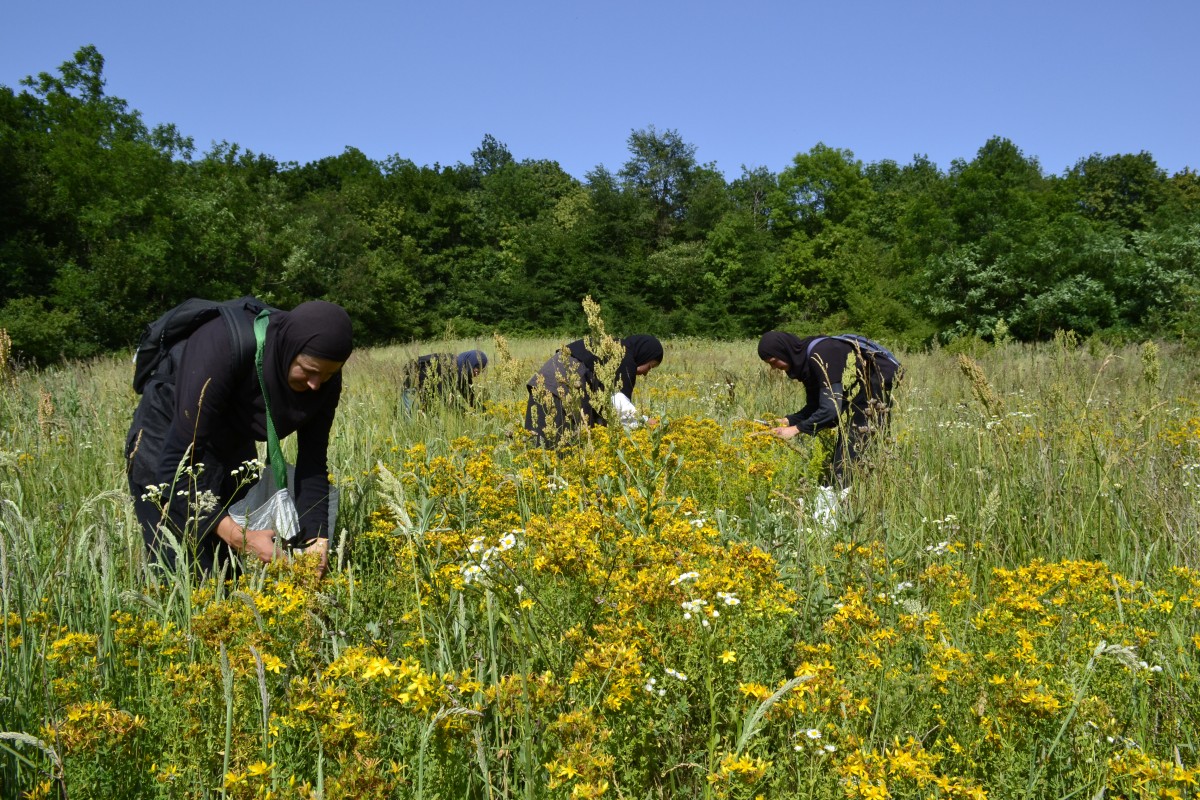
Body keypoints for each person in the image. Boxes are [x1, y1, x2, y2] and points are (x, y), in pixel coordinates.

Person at [125, 300, 353, 574]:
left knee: (230, 570)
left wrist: (316, 539)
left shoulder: (323, 374)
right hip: (169, 431)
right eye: (308, 370)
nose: (315, 384)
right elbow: (173, 470)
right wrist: (240, 538)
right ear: (288, 350)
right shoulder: (221, 345)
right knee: (184, 567)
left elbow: (312, 463)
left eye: (328, 375)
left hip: (231, 430)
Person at [757, 331, 901, 485]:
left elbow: (830, 410)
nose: (773, 368)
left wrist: (795, 429)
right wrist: (787, 421)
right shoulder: (806, 362)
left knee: (845, 466)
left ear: (784, 351)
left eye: (773, 361)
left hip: (869, 399)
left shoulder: (821, 354)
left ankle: (846, 502)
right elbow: (816, 406)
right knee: (846, 464)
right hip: (856, 401)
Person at [524, 335, 663, 448]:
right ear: (644, 355)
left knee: (537, 441)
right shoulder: (623, 357)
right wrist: (645, 422)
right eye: (650, 366)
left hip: (544, 381)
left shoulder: (612, 346)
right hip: (562, 387)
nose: (646, 373)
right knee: (561, 448)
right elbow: (619, 406)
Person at [401, 350, 488, 411]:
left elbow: (470, 397)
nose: (478, 373)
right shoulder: (447, 366)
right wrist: (464, 413)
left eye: (481, 369)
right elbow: (443, 400)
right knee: (410, 419)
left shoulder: (464, 371)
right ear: (471, 362)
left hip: (429, 391)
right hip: (412, 387)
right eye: (477, 367)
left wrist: (485, 411)